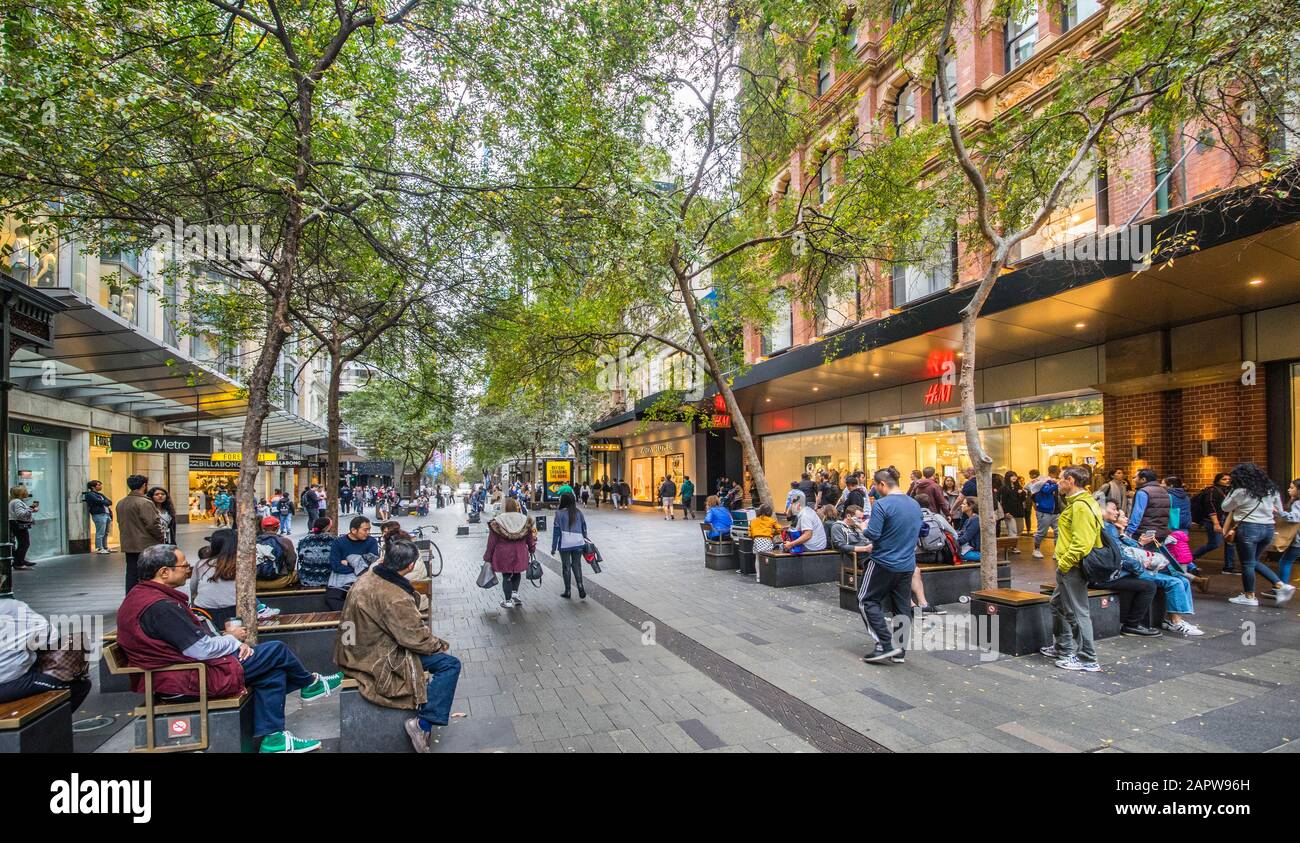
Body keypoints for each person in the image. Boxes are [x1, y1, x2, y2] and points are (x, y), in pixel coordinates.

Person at [116, 544, 340, 753]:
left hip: (181, 672)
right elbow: (200, 650)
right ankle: (310, 683)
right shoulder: (161, 607)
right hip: (187, 678)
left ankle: (275, 738)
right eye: (184, 565)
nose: (188, 569)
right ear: (164, 572)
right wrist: (231, 639)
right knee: (276, 650)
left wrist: (228, 641)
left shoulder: (143, 597)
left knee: (273, 671)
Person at [334, 539, 462, 753]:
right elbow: (414, 638)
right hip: (377, 656)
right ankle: (422, 725)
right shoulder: (393, 596)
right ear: (410, 566)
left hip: (353, 649)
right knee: (450, 665)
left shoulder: (368, 577)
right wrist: (440, 645)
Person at [1102, 501, 1198, 636]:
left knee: (1181, 579)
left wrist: (1126, 535)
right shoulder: (1108, 529)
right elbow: (1121, 555)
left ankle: (1174, 620)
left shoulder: (1116, 532)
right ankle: (1175, 622)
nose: (1122, 516)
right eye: (1117, 512)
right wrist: (1139, 566)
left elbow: (1130, 551)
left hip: (1129, 568)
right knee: (1172, 582)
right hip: (1124, 571)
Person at [857, 469, 922, 664]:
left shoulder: (882, 504)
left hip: (883, 562)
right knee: (902, 607)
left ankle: (885, 644)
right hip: (907, 564)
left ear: (882, 485)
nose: (876, 490)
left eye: (876, 486)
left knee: (866, 600)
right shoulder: (914, 504)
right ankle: (900, 650)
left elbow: (874, 534)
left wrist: (862, 528)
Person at [1040, 466, 1101, 672]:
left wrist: (1065, 563)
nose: (1058, 482)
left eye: (1060, 479)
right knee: (1057, 604)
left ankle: (1087, 658)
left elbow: (1082, 542)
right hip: (1069, 565)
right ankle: (1063, 646)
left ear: (1071, 480)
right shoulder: (1079, 503)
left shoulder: (1080, 506)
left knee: (1076, 611)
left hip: (1072, 566)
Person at [1221, 462, 1295, 606]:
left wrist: (1232, 491)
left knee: (1247, 563)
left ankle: (1250, 596)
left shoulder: (1241, 491)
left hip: (1248, 529)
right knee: (1253, 561)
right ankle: (1281, 585)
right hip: (1268, 528)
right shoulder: (1271, 490)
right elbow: (1278, 510)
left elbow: (1225, 507)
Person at [0, 596, 91, 712]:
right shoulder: (12, 607)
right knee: (79, 686)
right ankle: (53, 728)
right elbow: (51, 637)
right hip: (9, 683)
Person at [116, 475, 165, 592]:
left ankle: (131, 596)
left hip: (129, 543)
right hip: (145, 544)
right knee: (148, 573)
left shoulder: (121, 502)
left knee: (132, 573)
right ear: (144, 485)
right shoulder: (144, 502)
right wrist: (161, 537)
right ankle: (146, 596)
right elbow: (152, 524)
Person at [485, 498, 536, 608]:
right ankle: (515, 593)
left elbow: (492, 542)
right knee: (517, 572)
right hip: (520, 552)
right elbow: (529, 538)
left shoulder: (498, 521)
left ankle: (507, 601)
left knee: (506, 575)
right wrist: (532, 548)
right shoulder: (524, 520)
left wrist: (488, 556)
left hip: (503, 553)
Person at [326, 516, 380, 611]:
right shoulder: (338, 543)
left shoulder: (372, 542)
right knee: (331, 598)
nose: (368, 533)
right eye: (365, 530)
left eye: (369, 529)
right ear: (354, 530)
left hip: (365, 578)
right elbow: (335, 566)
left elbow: (372, 565)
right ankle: (347, 617)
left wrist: (349, 563)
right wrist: (358, 566)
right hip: (341, 578)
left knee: (368, 598)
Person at [190, 528, 239, 629]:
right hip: (234, 611)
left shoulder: (201, 564)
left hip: (204, 611)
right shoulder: (241, 564)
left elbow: (193, 589)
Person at [1191, 472, 1237, 572]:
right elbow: (1210, 507)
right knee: (1214, 543)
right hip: (1214, 521)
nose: (1227, 481)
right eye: (1224, 479)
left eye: (1229, 479)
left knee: (1230, 542)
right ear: (1217, 481)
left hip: (1227, 520)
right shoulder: (1212, 491)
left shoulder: (1230, 491)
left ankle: (1229, 567)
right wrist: (1216, 523)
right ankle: (1189, 559)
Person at [551, 492, 588, 600]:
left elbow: (556, 532)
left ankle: (568, 590)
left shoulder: (559, 514)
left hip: (565, 544)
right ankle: (580, 586)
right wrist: (585, 540)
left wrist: (553, 547)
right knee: (577, 565)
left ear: (563, 501)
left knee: (566, 567)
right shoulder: (579, 512)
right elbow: (584, 528)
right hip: (578, 543)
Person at [1125, 469, 1171, 542]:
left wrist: (1129, 531)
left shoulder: (1143, 492)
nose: (1134, 480)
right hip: (1161, 532)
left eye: (1135, 477)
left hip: (1144, 534)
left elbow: (1137, 514)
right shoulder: (1164, 491)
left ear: (1143, 479)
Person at [1028, 465, 1062, 559]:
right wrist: (1056, 484)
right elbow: (1046, 490)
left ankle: (1057, 551)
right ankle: (1036, 549)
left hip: (1056, 511)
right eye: (1057, 473)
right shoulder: (1043, 481)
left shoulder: (1055, 482)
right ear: (1052, 473)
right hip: (1044, 511)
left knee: (1058, 532)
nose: (1058, 476)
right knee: (1042, 532)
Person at [255, 516, 298, 590]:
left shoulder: (254, 540)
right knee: (296, 573)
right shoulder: (285, 541)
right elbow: (291, 563)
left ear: (263, 528)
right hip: (279, 581)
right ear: (278, 528)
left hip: (257, 582)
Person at [8, 486, 37, 571]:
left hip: (15, 523)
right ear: (21, 493)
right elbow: (20, 514)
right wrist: (31, 510)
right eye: (25, 491)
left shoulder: (14, 501)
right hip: (18, 524)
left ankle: (20, 560)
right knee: (24, 543)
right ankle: (18, 562)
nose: (27, 492)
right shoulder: (17, 501)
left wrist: (30, 508)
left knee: (23, 543)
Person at [83, 480, 114, 554]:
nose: (101, 486)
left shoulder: (101, 495)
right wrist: (104, 502)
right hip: (99, 514)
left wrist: (104, 502)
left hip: (106, 514)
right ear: (93, 487)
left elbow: (110, 502)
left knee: (106, 532)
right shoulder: (90, 495)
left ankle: (105, 547)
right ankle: (99, 548)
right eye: (99, 485)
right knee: (100, 532)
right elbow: (98, 501)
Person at [1001, 471, 1026, 553]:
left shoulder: (1018, 486)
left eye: (1015, 476)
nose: (1014, 477)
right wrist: (1005, 512)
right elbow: (1003, 501)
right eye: (1012, 476)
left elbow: (1023, 499)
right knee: (1013, 530)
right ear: (1008, 477)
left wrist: (1022, 493)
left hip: (1019, 511)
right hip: (1009, 512)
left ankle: (1010, 544)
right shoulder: (1004, 488)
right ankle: (1013, 547)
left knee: (1020, 529)